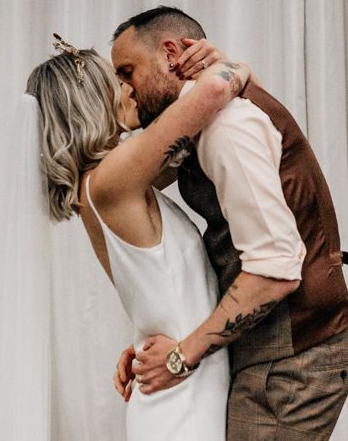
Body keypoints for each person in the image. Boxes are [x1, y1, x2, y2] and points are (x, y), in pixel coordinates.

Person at [111, 7, 348, 440]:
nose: (124, 90)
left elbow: (274, 271)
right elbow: (133, 179)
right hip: (268, 357)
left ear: (171, 52)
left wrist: (180, 357)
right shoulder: (202, 122)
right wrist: (157, 339)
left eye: (127, 73)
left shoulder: (227, 125)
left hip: (291, 366)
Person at [25, 35, 251, 440]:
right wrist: (232, 65)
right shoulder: (112, 179)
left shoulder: (103, 185)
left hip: (181, 384)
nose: (128, 88)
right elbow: (216, 88)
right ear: (91, 102)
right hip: (183, 401)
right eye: (116, 81)